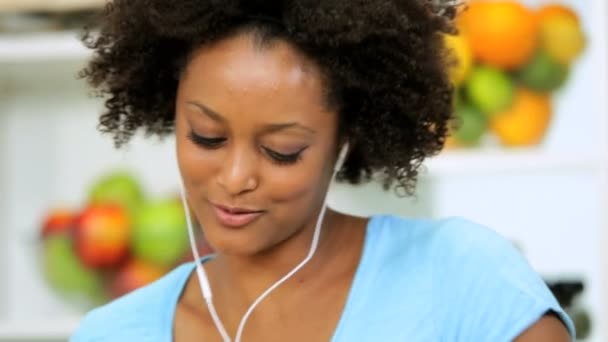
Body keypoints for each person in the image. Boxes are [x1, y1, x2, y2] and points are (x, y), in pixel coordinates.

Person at [71, 0, 574, 341]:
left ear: (347, 136)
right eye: (206, 137)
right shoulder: (112, 333)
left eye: (281, 150)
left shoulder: (466, 280)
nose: (235, 176)